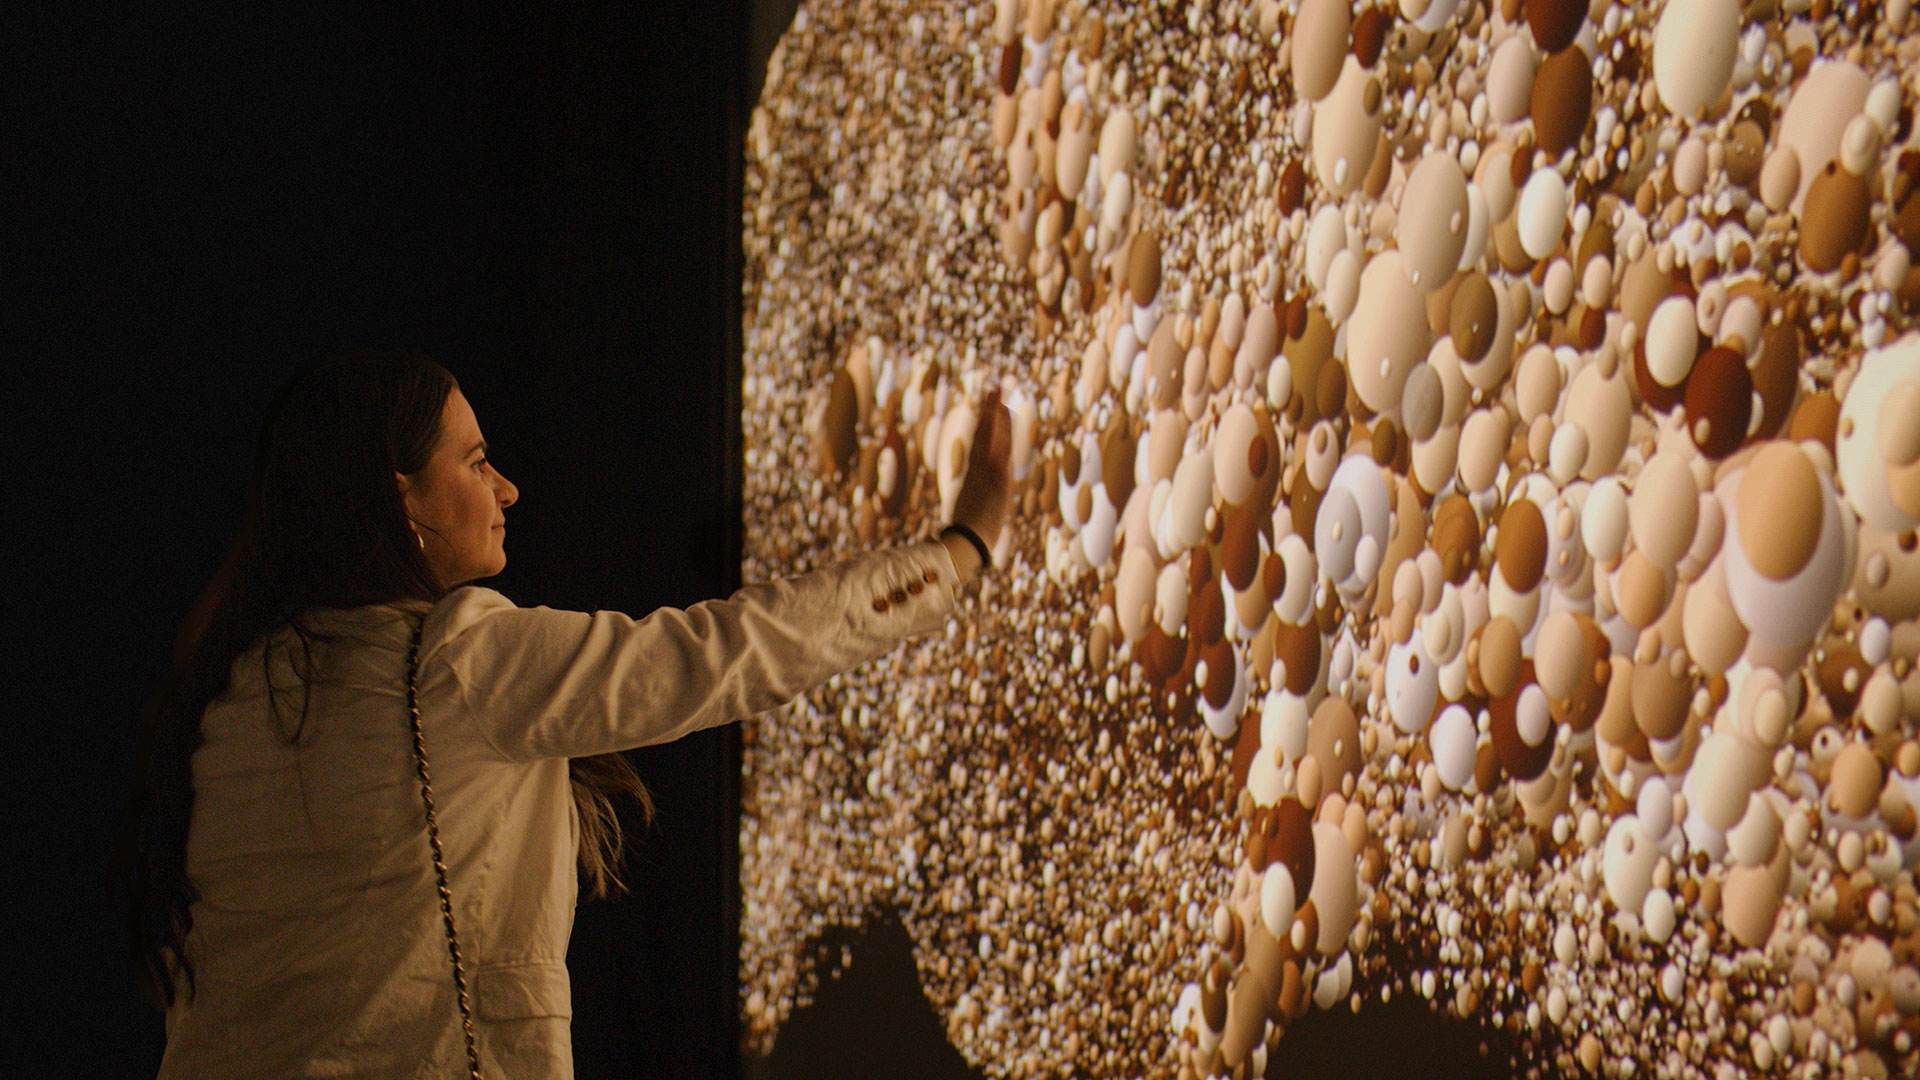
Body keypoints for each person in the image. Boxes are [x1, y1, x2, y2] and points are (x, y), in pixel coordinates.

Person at [125, 352, 1012, 1079]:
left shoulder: (232, 696)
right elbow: (728, 653)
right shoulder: (456, 662)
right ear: (405, 506)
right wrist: (957, 552)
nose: (507, 489)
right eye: (475, 462)